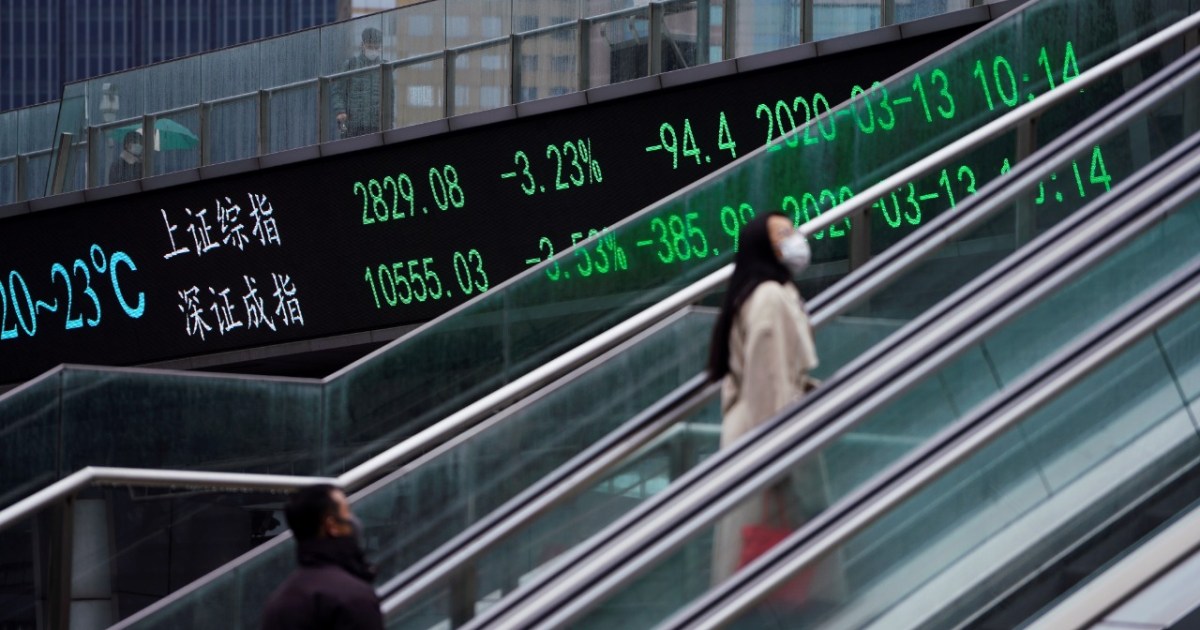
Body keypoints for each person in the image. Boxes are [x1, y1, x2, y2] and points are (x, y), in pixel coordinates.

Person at [708, 212, 820, 585]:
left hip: (749, 428)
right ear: (763, 246)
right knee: (771, 569)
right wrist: (782, 457)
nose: (795, 239)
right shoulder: (770, 297)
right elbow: (769, 381)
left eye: (792, 230)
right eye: (783, 234)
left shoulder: (759, 292)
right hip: (768, 431)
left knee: (751, 562)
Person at [262, 484, 383, 630]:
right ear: (332, 526)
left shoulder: (279, 601)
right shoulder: (354, 597)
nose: (353, 520)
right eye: (347, 512)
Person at [332, 27, 385, 138]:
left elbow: (390, 98)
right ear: (363, 45)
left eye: (376, 47)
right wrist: (340, 111)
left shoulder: (384, 68)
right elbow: (337, 90)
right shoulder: (351, 65)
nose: (373, 50)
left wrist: (389, 123)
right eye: (370, 47)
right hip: (353, 126)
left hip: (377, 126)